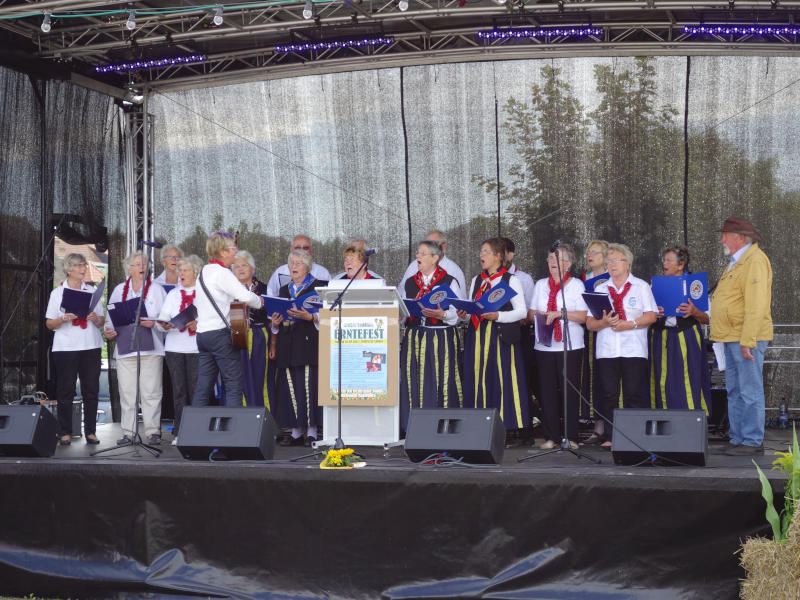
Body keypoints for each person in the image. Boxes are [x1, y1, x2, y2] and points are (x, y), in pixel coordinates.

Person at [710, 216, 772, 455]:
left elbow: (756, 304)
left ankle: (752, 440)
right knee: (735, 390)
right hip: (731, 336)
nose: (722, 239)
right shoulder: (737, 262)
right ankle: (738, 437)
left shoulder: (754, 260)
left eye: (726, 234)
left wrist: (749, 340)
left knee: (749, 390)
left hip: (745, 338)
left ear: (740, 238)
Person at [586, 243, 658, 448]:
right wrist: (604, 323)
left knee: (633, 393)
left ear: (628, 263)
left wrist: (630, 324)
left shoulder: (640, 286)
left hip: (633, 348)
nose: (612, 264)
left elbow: (651, 315)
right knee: (609, 394)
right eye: (609, 261)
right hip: (607, 350)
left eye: (616, 260)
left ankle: (634, 437)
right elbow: (591, 323)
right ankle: (610, 436)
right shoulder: (600, 288)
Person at [458, 237, 529, 432]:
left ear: (498, 256)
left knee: (500, 381)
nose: (481, 255)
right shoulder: (477, 280)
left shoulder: (510, 280)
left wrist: (498, 315)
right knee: (478, 379)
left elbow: (522, 312)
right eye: (481, 252)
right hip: (478, 337)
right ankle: (479, 425)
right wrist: (464, 314)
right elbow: (474, 310)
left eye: (485, 251)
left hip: (500, 338)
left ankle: (504, 427)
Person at [192, 232, 264, 408]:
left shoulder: (204, 272)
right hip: (219, 335)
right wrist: (259, 301)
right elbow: (244, 295)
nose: (236, 251)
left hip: (203, 335)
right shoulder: (222, 273)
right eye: (233, 248)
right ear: (222, 252)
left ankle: (192, 432)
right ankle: (233, 433)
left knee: (203, 386)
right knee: (233, 384)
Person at [399, 240, 463, 432]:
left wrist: (442, 314)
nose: (418, 257)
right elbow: (403, 311)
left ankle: (442, 429)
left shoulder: (449, 281)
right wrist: (400, 314)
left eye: (423, 254)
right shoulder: (409, 282)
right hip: (415, 336)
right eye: (418, 253)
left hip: (441, 338)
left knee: (441, 382)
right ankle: (415, 428)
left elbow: (458, 313)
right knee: (414, 381)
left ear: (435, 258)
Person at [529, 243, 588, 450]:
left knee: (569, 391)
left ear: (569, 264)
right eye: (550, 259)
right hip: (544, 345)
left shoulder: (577, 285)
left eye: (558, 259)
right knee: (547, 392)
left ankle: (571, 436)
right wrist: (541, 316)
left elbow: (583, 316)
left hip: (569, 346)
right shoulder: (540, 285)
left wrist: (560, 314)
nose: (553, 262)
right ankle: (551, 436)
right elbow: (531, 313)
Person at [105, 251, 167, 445]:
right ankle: (128, 432)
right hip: (125, 348)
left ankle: (153, 431)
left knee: (151, 391)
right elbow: (110, 319)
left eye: (144, 263)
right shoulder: (118, 290)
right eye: (137, 264)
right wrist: (109, 332)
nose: (142, 266)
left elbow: (167, 319)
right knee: (127, 392)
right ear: (129, 268)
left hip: (151, 347)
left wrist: (154, 323)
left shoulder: (157, 289)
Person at [269, 250, 328, 446]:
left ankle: (311, 431)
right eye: (291, 263)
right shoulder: (284, 290)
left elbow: (331, 315)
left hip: (308, 343)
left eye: (298, 263)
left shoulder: (319, 287)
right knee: (290, 386)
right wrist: (275, 324)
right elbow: (276, 317)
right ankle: (295, 432)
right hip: (287, 342)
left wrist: (311, 317)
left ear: (308, 266)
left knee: (308, 385)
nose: (293, 267)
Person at [45, 253, 105, 446]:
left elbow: (102, 321)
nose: (83, 268)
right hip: (66, 348)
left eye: (84, 265)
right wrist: (63, 318)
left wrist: (96, 319)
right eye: (79, 265)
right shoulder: (58, 293)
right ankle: (64, 432)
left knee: (91, 390)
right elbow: (49, 324)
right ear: (68, 269)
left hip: (91, 346)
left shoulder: (92, 291)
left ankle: (91, 432)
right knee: (66, 390)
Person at [649, 245, 711, 414]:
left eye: (669, 260)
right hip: (660, 337)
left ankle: (690, 419)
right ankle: (661, 418)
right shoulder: (655, 285)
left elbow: (707, 319)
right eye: (664, 260)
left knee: (687, 379)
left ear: (681, 264)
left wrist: (694, 311)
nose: (664, 263)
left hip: (686, 336)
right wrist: (654, 312)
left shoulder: (694, 285)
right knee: (661, 380)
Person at [156, 255, 202, 445]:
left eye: (185, 270)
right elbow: (161, 321)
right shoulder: (173, 294)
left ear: (195, 272)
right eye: (180, 271)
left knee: (196, 391)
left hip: (197, 349)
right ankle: (180, 432)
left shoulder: (203, 293)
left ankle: (198, 431)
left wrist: (198, 324)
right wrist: (164, 325)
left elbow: (214, 318)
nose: (181, 274)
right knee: (179, 391)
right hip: (174, 348)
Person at [231, 249, 276, 415]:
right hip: (235, 336)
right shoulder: (230, 290)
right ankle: (240, 419)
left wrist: (273, 343)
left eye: (244, 265)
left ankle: (263, 420)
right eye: (236, 266)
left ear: (252, 268)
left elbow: (272, 317)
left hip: (259, 336)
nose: (240, 269)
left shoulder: (265, 288)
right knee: (239, 378)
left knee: (260, 378)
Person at [580, 239, 610, 445]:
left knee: (609, 379)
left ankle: (611, 428)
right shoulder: (584, 278)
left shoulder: (613, 276)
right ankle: (597, 427)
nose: (590, 256)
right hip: (589, 331)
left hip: (609, 331)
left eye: (595, 252)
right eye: (589, 252)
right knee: (592, 378)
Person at [399, 230, 467, 299]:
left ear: (443, 247)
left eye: (432, 244)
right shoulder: (413, 266)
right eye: (426, 243)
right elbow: (401, 294)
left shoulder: (454, 271)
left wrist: (444, 310)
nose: (418, 256)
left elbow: (461, 304)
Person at [266, 235, 331, 297]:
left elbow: (330, 298)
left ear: (311, 250)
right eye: (297, 248)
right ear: (291, 249)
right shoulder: (280, 271)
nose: (301, 250)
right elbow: (271, 294)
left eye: (305, 248)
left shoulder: (323, 272)